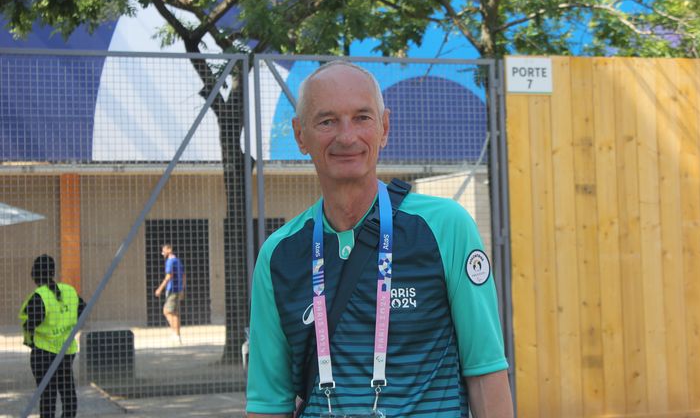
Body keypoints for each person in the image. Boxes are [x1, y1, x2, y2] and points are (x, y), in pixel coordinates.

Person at [246, 61, 513, 417]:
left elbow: (485, 373)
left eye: (362, 118)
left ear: (384, 127)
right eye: (327, 121)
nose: (346, 136)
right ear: (300, 136)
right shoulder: (279, 255)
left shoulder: (445, 227)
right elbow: (268, 402)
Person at [19, 254, 86, 418]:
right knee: (67, 391)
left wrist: (30, 341)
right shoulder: (69, 291)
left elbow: (30, 324)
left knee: (47, 396)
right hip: (66, 351)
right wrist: (69, 328)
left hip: (44, 352)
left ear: (34, 274)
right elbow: (83, 308)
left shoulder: (38, 296)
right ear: (52, 271)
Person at [154, 243, 185, 344]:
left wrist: (160, 289)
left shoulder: (170, 261)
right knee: (174, 313)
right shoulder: (178, 261)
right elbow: (184, 276)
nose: (162, 252)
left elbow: (169, 276)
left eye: (164, 250)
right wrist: (182, 289)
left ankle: (176, 335)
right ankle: (176, 335)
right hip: (177, 289)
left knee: (167, 312)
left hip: (172, 289)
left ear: (169, 249)